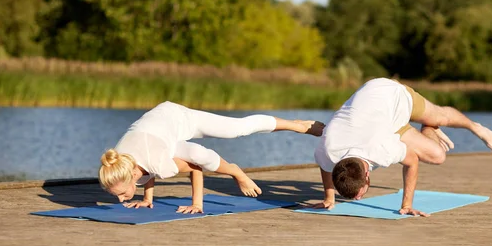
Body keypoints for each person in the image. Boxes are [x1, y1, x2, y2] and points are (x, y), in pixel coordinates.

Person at [313, 78, 492, 216]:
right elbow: (325, 164)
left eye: (359, 194)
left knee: (440, 116)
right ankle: (429, 128)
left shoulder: (382, 150)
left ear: (367, 176)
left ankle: (472, 126)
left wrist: (407, 204)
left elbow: (412, 161)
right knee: (438, 156)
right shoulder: (330, 149)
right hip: (380, 119)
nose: (358, 199)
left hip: (391, 95)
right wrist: (330, 198)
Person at [99, 101, 324, 214]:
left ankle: (296, 126)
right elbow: (145, 169)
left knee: (238, 129)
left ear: (131, 175)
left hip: (179, 119)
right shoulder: (120, 161)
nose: (121, 199)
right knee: (195, 153)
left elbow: (195, 167)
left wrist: (197, 203)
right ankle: (234, 168)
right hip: (160, 134)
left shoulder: (154, 161)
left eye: (121, 193)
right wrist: (148, 199)